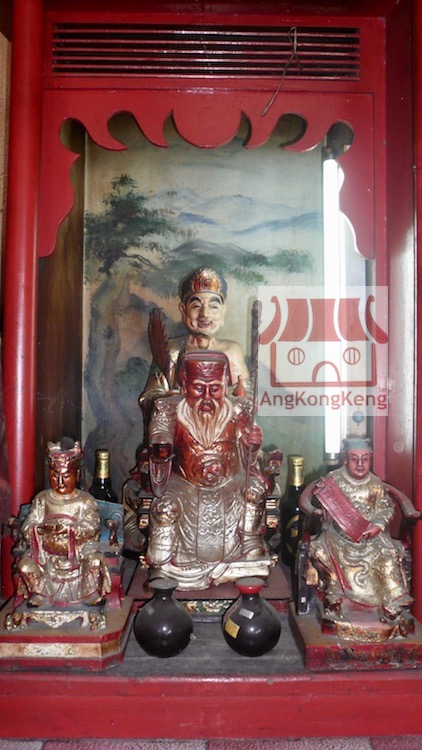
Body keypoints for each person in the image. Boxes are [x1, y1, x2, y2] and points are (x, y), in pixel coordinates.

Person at [145, 350, 271, 590]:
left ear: (225, 384)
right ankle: (165, 562)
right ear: (184, 384)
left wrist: (252, 444)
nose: (206, 396)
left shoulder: (238, 408)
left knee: (253, 490)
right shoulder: (167, 408)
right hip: (185, 484)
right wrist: (161, 445)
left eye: (214, 389)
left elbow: (250, 452)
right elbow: (160, 433)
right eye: (198, 388)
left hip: (230, 482)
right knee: (166, 507)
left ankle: (248, 546)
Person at [302, 438, 413, 624]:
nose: (360, 464)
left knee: (388, 554)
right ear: (345, 459)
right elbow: (315, 501)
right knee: (321, 551)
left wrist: (378, 524)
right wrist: (318, 511)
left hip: (369, 537)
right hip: (337, 536)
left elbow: (386, 508)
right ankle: (334, 592)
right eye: (354, 459)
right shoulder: (334, 480)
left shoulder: (375, 484)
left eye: (365, 459)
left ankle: (392, 598)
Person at [17, 441, 112, 608]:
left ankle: (88, 593)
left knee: (95, 561)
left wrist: (68, 530)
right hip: (46, 555)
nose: (60, 482)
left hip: (79, 552)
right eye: (55, 476)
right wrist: (39, 529)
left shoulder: (85, 501)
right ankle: (40, 594)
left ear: (77, 474)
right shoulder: (42, 499)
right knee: (25, 566)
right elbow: (28, 524)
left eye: (66, 476)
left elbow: (92, 527)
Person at [140, 267, 249, 411]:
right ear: (183, 310)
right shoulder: (172, 351)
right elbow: (149, 397)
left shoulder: (231, 352)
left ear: (223, 312)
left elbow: (245, 400)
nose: (205, 314)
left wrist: (222, 399)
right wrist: (170, 398)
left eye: (214, 307)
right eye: (196, 306)